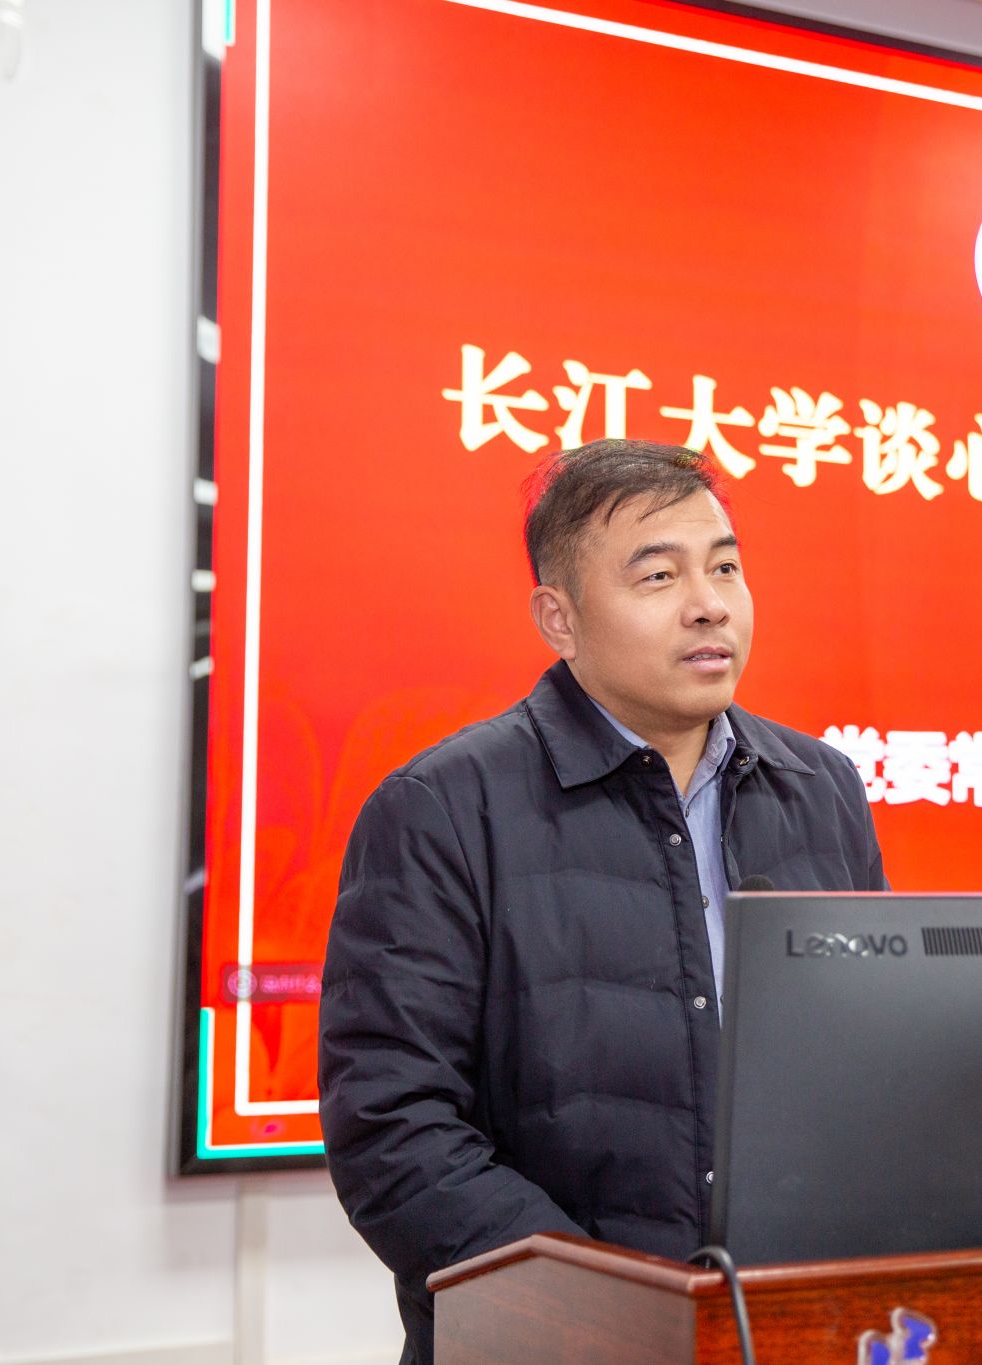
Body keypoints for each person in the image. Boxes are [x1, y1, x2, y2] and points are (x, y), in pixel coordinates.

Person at [318, 438, 887, 1364]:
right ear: (560, 618)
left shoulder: (820, 788)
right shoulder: (442, 808)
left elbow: (869, 1070)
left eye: (725, 567)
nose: (709, 603)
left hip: (786, 1331)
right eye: (658, 575)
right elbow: (395, 1130)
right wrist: (611, 1319)